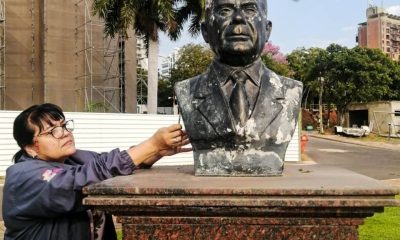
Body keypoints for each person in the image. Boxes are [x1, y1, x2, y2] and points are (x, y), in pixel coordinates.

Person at [2, 103, 190, 240]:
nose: (65, 133)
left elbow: (114, 166)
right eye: (52, 131)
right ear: (30, 148)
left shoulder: (74, 158)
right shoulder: (22, 176)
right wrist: (152, 144)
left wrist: (156, 152)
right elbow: (78, 183)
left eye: (64, 126)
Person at [174, 0, 303, 176]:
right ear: (205, 31)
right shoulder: (186, 91)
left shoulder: (291, 91)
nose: (238, 18)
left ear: (267, 29)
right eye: (225, 10)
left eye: (249, 10)